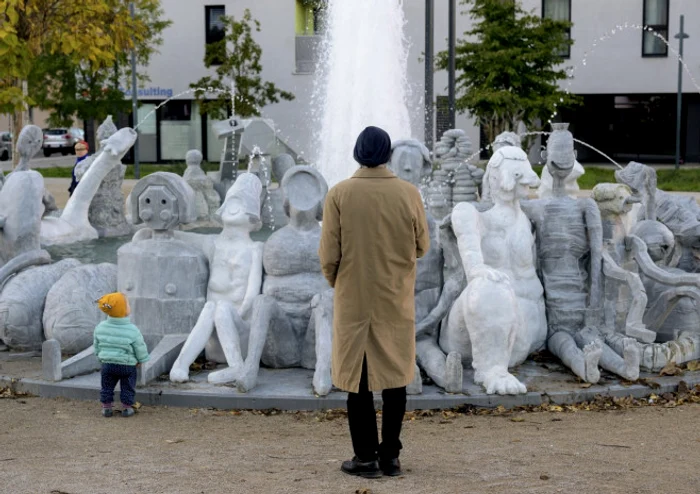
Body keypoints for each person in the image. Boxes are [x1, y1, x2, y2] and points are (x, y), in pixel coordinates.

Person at [319, 126, 430, 478]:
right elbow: (422, 245)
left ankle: (365, 456)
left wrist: (340, 282)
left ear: (357, 152)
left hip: (354, 298)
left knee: (359, 379)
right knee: (396, 376)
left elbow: (328, 255)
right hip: (394, 296)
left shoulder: (339, 193)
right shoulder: (409, 193)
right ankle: (391, 456)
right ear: (387, 155)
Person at [93, 292, 150, 417]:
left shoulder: (100, 327)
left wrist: (100, 356)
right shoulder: (132, 329)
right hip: (127, 365)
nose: (129, 306)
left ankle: (106, 408)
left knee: (106, 386)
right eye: (128, 304)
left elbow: (96, 345)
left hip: (107, 364)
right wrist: (142, 359)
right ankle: (127, 407)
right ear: (123, 309)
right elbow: (139, 347)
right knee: (128, 386)